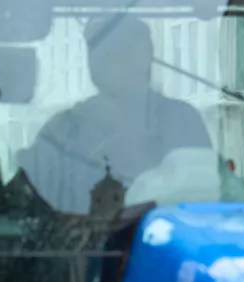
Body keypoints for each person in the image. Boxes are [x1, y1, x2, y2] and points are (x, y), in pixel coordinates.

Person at [16, 14, 212, 214]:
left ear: (147, 57)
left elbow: (204, 201)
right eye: (102, 51)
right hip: (75, 244)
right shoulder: (61, 130)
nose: (115, 61)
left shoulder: (182, 120)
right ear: (91, 60)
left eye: (125, 51)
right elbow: (26, 205)